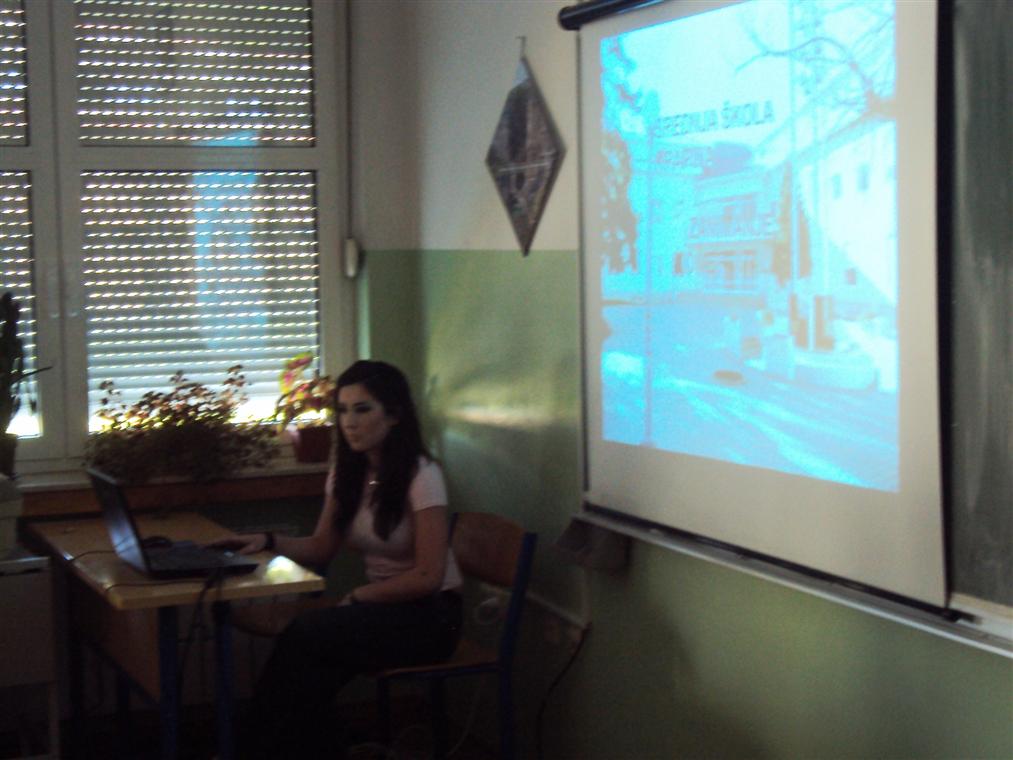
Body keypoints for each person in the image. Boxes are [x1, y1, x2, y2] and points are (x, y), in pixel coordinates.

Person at [219, 359, 463, 759]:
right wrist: (267, 540)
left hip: (431, 616)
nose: (349, 422)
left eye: (362, 410)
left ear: (394, 415)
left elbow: (428, 576)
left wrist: (362, 596)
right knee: (311, 671)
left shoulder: (422, 474)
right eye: (343, 410)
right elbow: (320, 547)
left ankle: (252, 750)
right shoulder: (348, 473)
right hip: (379, 610)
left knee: (307, 636)